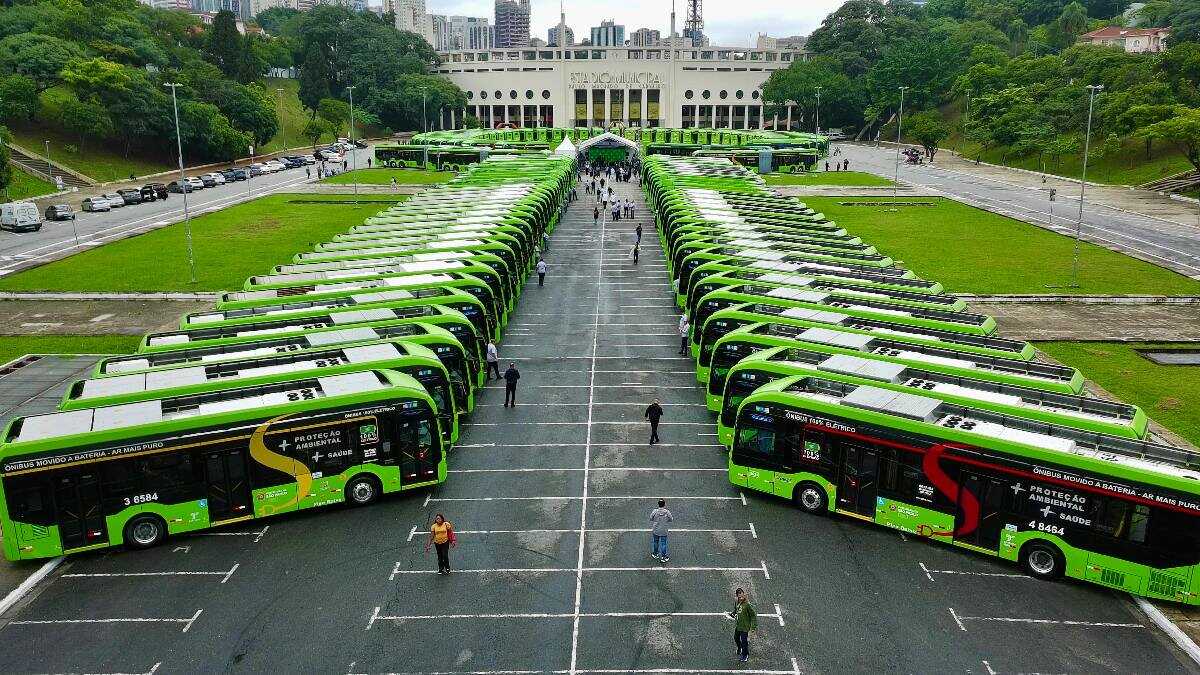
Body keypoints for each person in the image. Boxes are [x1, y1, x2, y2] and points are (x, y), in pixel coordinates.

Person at [728, 588, 758, 662]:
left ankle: (745, 655)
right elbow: (736, 610)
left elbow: (753, 616)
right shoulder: (737, 602)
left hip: (745, 627)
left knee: (744, 641)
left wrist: (753, 627)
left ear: (744, 594)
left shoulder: (747, 605)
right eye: (739, 596)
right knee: (736, 638)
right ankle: (740, 647)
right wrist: (732, 614)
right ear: (737, 596)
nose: (741, 598)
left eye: (742, 595)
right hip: (739, 625)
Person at [649, 499, 673, 563]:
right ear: (664, 504)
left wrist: (656, 520)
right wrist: (665, 521)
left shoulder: (655, 511)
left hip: (656, 529)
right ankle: (663, 557)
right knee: (663, 543)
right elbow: (671, 519)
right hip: (664, 530)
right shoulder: (667, 512)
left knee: (655, 542)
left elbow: (651, 518)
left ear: (658, 504)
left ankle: (655, 554)